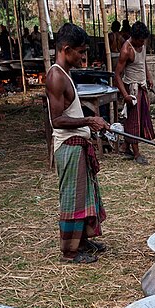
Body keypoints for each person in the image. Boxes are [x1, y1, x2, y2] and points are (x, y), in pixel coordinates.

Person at [45, 22, 107, 265]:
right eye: (80, 52)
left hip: (78, 144)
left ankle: (82, 241)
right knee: (72, 199)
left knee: (85, 196)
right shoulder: (55, 76)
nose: (83, 57)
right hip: (68, 146)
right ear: (66, 49)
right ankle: (69, 252)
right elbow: (57, 120)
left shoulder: (66, 73)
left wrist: (89, 125)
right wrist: (89, 120)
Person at [114, 21, 155, 166]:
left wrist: (149, 78)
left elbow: (143, 63)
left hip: (142, 86)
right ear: (134, 37)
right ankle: (136, 153)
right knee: (133, 121)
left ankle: (125, 146)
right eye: (141, 40)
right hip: (132, 89)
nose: (143, 43)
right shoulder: (127, 49)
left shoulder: (142, 45)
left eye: (144, 40)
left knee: (141, 117)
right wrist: (125, 96)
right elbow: (117, 75)